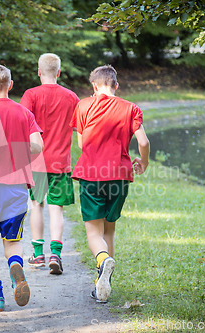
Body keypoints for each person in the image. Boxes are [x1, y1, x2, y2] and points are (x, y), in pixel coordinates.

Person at [69, 65, 149, 303]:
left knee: (94, 232)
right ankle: (104, 286)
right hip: (119, 175)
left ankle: (103, 261)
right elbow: (143, 142)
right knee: (109, 228)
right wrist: (143, 163)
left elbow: (83, 145)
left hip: (91, 173)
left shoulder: (83, 106)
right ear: (116, 85)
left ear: (94, 86)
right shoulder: (131, 108)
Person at [0, 64, 43, 312]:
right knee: (12, 241)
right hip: (16, 185)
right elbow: (38, 147)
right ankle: (16, 264)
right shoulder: (24, 113)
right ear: (11, 85)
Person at [20, 53, 79, 275]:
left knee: (36, 205)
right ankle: (56, 253)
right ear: (59, 72)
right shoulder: (71, 97)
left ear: (38, 72)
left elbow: (22, 123)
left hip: (35, 163)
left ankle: (38, 254)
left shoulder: (30, 95)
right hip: (61, 163)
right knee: (57, 209)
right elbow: (77, 127)